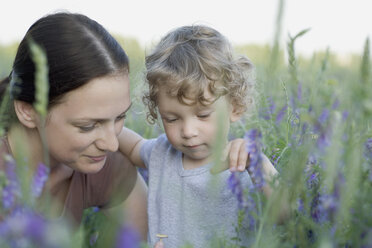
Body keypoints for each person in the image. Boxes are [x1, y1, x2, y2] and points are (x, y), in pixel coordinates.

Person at [118, 25, 279, 248]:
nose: (188, 131)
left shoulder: (241, 163)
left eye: (203, 115)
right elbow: (133, 145)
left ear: (235, 107)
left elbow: (286, 214)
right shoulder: (162, 153)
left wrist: (260, 165)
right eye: (172, 119)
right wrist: (103, 128)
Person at [0, 12, 148, 240]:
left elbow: (146, 237)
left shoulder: (100, 161)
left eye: (119, 117)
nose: (111, 143)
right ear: (28, 111)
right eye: (88, 126)